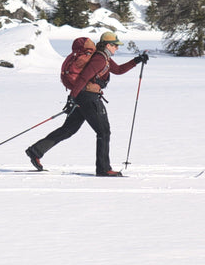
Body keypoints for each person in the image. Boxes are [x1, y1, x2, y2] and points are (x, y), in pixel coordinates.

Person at [26, 31, 148, 176]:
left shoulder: (104, 58)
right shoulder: (99, 59)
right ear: (108, 45)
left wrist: (137, 60)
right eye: (115, 45)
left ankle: (36, 151)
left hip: (82, 97)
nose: (117, 48)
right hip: (88, 98)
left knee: (68, 129)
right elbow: (83, 78)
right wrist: (72, 98)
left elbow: (119, 70)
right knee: (103, 131)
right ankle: (103, 169)